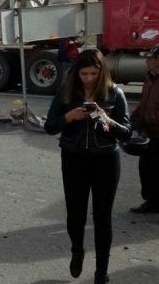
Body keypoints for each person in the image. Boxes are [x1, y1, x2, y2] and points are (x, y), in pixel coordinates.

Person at [44, 49, 131, 284]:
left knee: (102, 218)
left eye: (93, 73)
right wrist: (69, 117)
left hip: (105, 160)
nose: (89, 78)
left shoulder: (115, 94)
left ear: (102, 72)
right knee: (75, 215)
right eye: (84, 73)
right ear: (76, 72)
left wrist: (106, 118)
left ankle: (101, 272)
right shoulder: (66, 93)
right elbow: (50, 126)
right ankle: (77, 250)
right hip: (74, 159)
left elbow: (126, 133)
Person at [129, 44, 159, 214]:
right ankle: (151, 202)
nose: (146, 61)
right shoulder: (149, 78)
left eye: (150, 58)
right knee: (147, 170)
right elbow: (144, 102)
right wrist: (136, 116)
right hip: (148, 134)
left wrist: (151, 119)